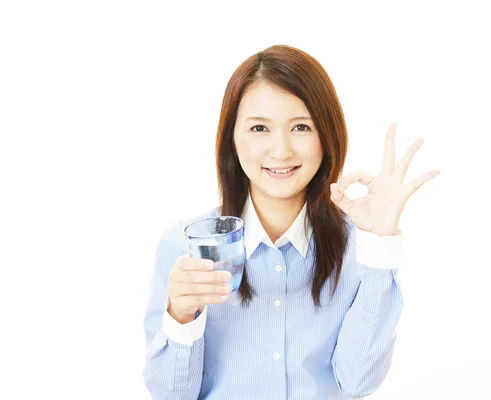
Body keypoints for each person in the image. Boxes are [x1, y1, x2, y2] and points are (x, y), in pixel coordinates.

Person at [142, 44, 440, 400]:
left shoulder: (357, 244)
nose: (281, 150)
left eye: (300, 126)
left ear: (326, 136)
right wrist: (181, 315)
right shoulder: (186, 246)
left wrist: (380, 243)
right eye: (259, 128)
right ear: (232, 139)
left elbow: (357, 382)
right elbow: (171, 395)